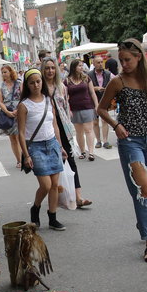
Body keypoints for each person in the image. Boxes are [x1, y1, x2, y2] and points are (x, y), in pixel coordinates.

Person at [96, 38, 147, 264]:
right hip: (131, 141)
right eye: (121, 60)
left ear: (139, 57)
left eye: (128, 60)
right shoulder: (118, 82)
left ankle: (144, 220)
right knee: (143, 189)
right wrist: (116, 126)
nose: (124, 64)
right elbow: (100, 108)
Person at [17, 68, 67, 231]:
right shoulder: (24, 106)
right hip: (36, 148)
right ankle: (35, 208)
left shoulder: (48, 100)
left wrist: (60, 146)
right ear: (27, 85)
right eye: (32, 83)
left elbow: (55, 125)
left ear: (42, 82)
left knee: (54, 184)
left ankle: (52, 217)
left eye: (38, 81)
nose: (36, 85)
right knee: (45, 185)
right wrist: (26, 155)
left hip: (52, 144)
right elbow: (21, 132)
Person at [42, 57, 93, 208]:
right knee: (54, 164)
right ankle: (58, 196)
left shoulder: (61, 87)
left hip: (63, 127)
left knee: (70, 160)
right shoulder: (39, 87)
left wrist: (69, 125)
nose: (50, 71)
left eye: (53, 68)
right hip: (47, 129)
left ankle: (78, 196)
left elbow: (65, 107)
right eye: (47, 68)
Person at [64, 59, 99, 161]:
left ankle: (91, 152)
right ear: (74, 67)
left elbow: (92, 92)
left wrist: (96, 105)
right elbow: (65, 97)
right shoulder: (67, 81)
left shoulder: (86, 78)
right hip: (74, 108)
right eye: (79, 66)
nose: (82, 67)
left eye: (82, 65)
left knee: (88, 130)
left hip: (87, 106)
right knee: (79, 131)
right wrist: (67, 109)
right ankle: (82, 151)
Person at [0, 64, 22, 166]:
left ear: (11, 72)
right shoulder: (0, 86)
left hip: (20, 111)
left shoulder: (19, 83)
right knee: (13, 138)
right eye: (2, 73)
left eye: (5, 72)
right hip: (8, 113)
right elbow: (0, 101)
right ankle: (19, 160)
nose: (4, 74)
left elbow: (24, 96)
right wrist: (7, 112)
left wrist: (18, 109)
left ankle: (26, 157)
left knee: (21, 136)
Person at [88, 55, 114, 149]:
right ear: (93, 64)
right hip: (93, 100)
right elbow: (87, 87)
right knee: (95, 122)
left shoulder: (107, 73)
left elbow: (115, 82)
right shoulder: (89, 75)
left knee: (104, 120)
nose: (100, 64)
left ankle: (105, 141)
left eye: (101, 62)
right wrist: (96, 88)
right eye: (98, 62)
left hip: (104, 99)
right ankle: (98, 141)